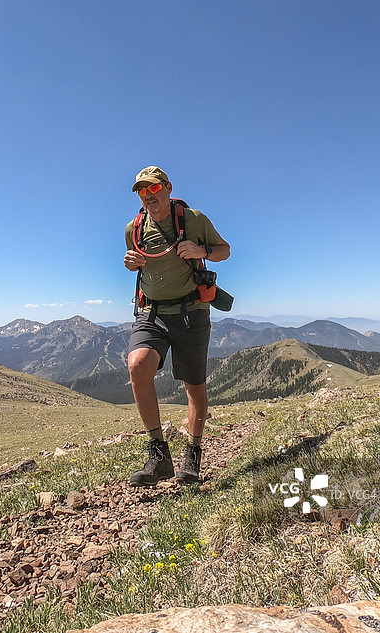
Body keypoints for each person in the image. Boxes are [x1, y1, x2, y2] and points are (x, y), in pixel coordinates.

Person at [123, 166, 230, 486]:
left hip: (190, 312)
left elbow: (225, 250)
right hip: (151, 312)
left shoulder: (193, 220)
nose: (148, 197)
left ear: (168, 188)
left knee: (194, 386)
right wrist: (130, 262)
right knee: (137, 365)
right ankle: (159, 456)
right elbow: (134, 259)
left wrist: (202, 251)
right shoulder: (134, 228)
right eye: (142, 192)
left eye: (153, 190)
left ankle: (193, 455)